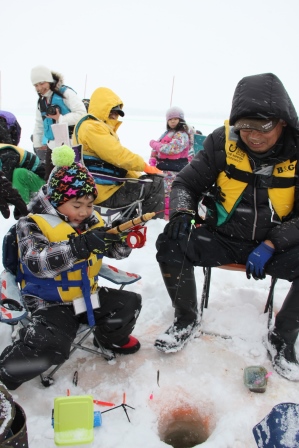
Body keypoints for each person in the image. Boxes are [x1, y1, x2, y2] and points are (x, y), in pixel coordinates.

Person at [155, 72, 299, 382]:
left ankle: (284, 336)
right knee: (170, 240)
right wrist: (182, 213)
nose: (253, 135)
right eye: (245, 126)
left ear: (283, 121)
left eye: (263, 127)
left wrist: (273, 244)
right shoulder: (221, 142)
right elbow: (184, 183)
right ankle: (186, 319)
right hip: (222, 237)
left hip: (274, 246)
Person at [0, 145, 142, 390]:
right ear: (57, 200)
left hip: (85, 299)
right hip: (50, 303)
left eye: (89, 204)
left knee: (128, 304)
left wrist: (120, 240)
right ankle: (7, 373)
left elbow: (114, 253)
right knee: (50, 344)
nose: (85, 212)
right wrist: (78, 246)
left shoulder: (90, 220)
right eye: (77, 206)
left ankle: (109, 340)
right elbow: (37, 263)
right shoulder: (31, 224)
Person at [73, 86, 165, 218]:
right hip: (103, 193)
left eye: (117, 113)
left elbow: (118, 164)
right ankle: (153, 226)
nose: (114, 116)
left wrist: (139, 177)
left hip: (103, 189)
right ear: (102, 108)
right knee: (156, 184)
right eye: (112, 111)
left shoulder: (96, 128)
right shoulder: (91, 127)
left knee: (145, 182)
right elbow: (117, 155)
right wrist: (145, 166)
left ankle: (131, 225)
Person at [30, 65, 86, 178]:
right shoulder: (41, 101)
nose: (40, 88)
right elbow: (39, 124)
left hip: (71, 144)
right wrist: (38, 144)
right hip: (52, 146)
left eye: (42, 83)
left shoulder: (65, 93)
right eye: (36, 85)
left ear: (49, 81)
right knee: (50, 179)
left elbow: (82, 114)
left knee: (72, 178)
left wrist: (60, 118)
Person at [149, 106, 195, 218]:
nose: (173, 121)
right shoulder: (167, 133)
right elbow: (157, 149)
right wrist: (153, 159)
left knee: (169, 194)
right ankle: (161, 215)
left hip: (174, 171)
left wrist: (154, 144)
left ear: (181, 120)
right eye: (170, 119)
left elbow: (172, 149)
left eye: (175, 118)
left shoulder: (182, 134)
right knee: (161, 194)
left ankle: (168, 216)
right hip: (162, 169)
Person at [0, 119, 45, 204]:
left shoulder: (7, 153)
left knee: (19, 173)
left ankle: (22, 209)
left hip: (44, 185)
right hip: (28, 182)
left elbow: (6, 180)